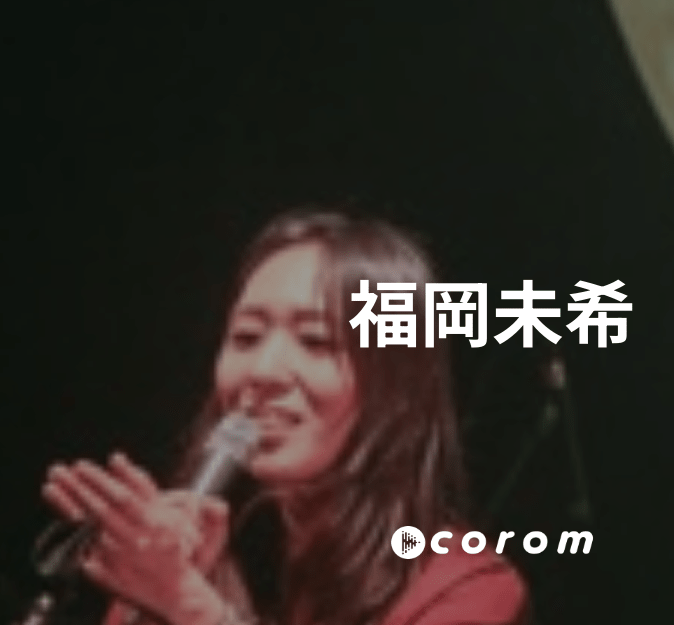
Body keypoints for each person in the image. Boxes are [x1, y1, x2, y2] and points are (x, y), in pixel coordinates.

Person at [41, 207, 528, 625]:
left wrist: (192, 610)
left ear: (397, 389)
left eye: (316, 341)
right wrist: (145, 603)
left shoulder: (462, 585)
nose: (263, 371)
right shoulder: (191, 561)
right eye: (246, 337)